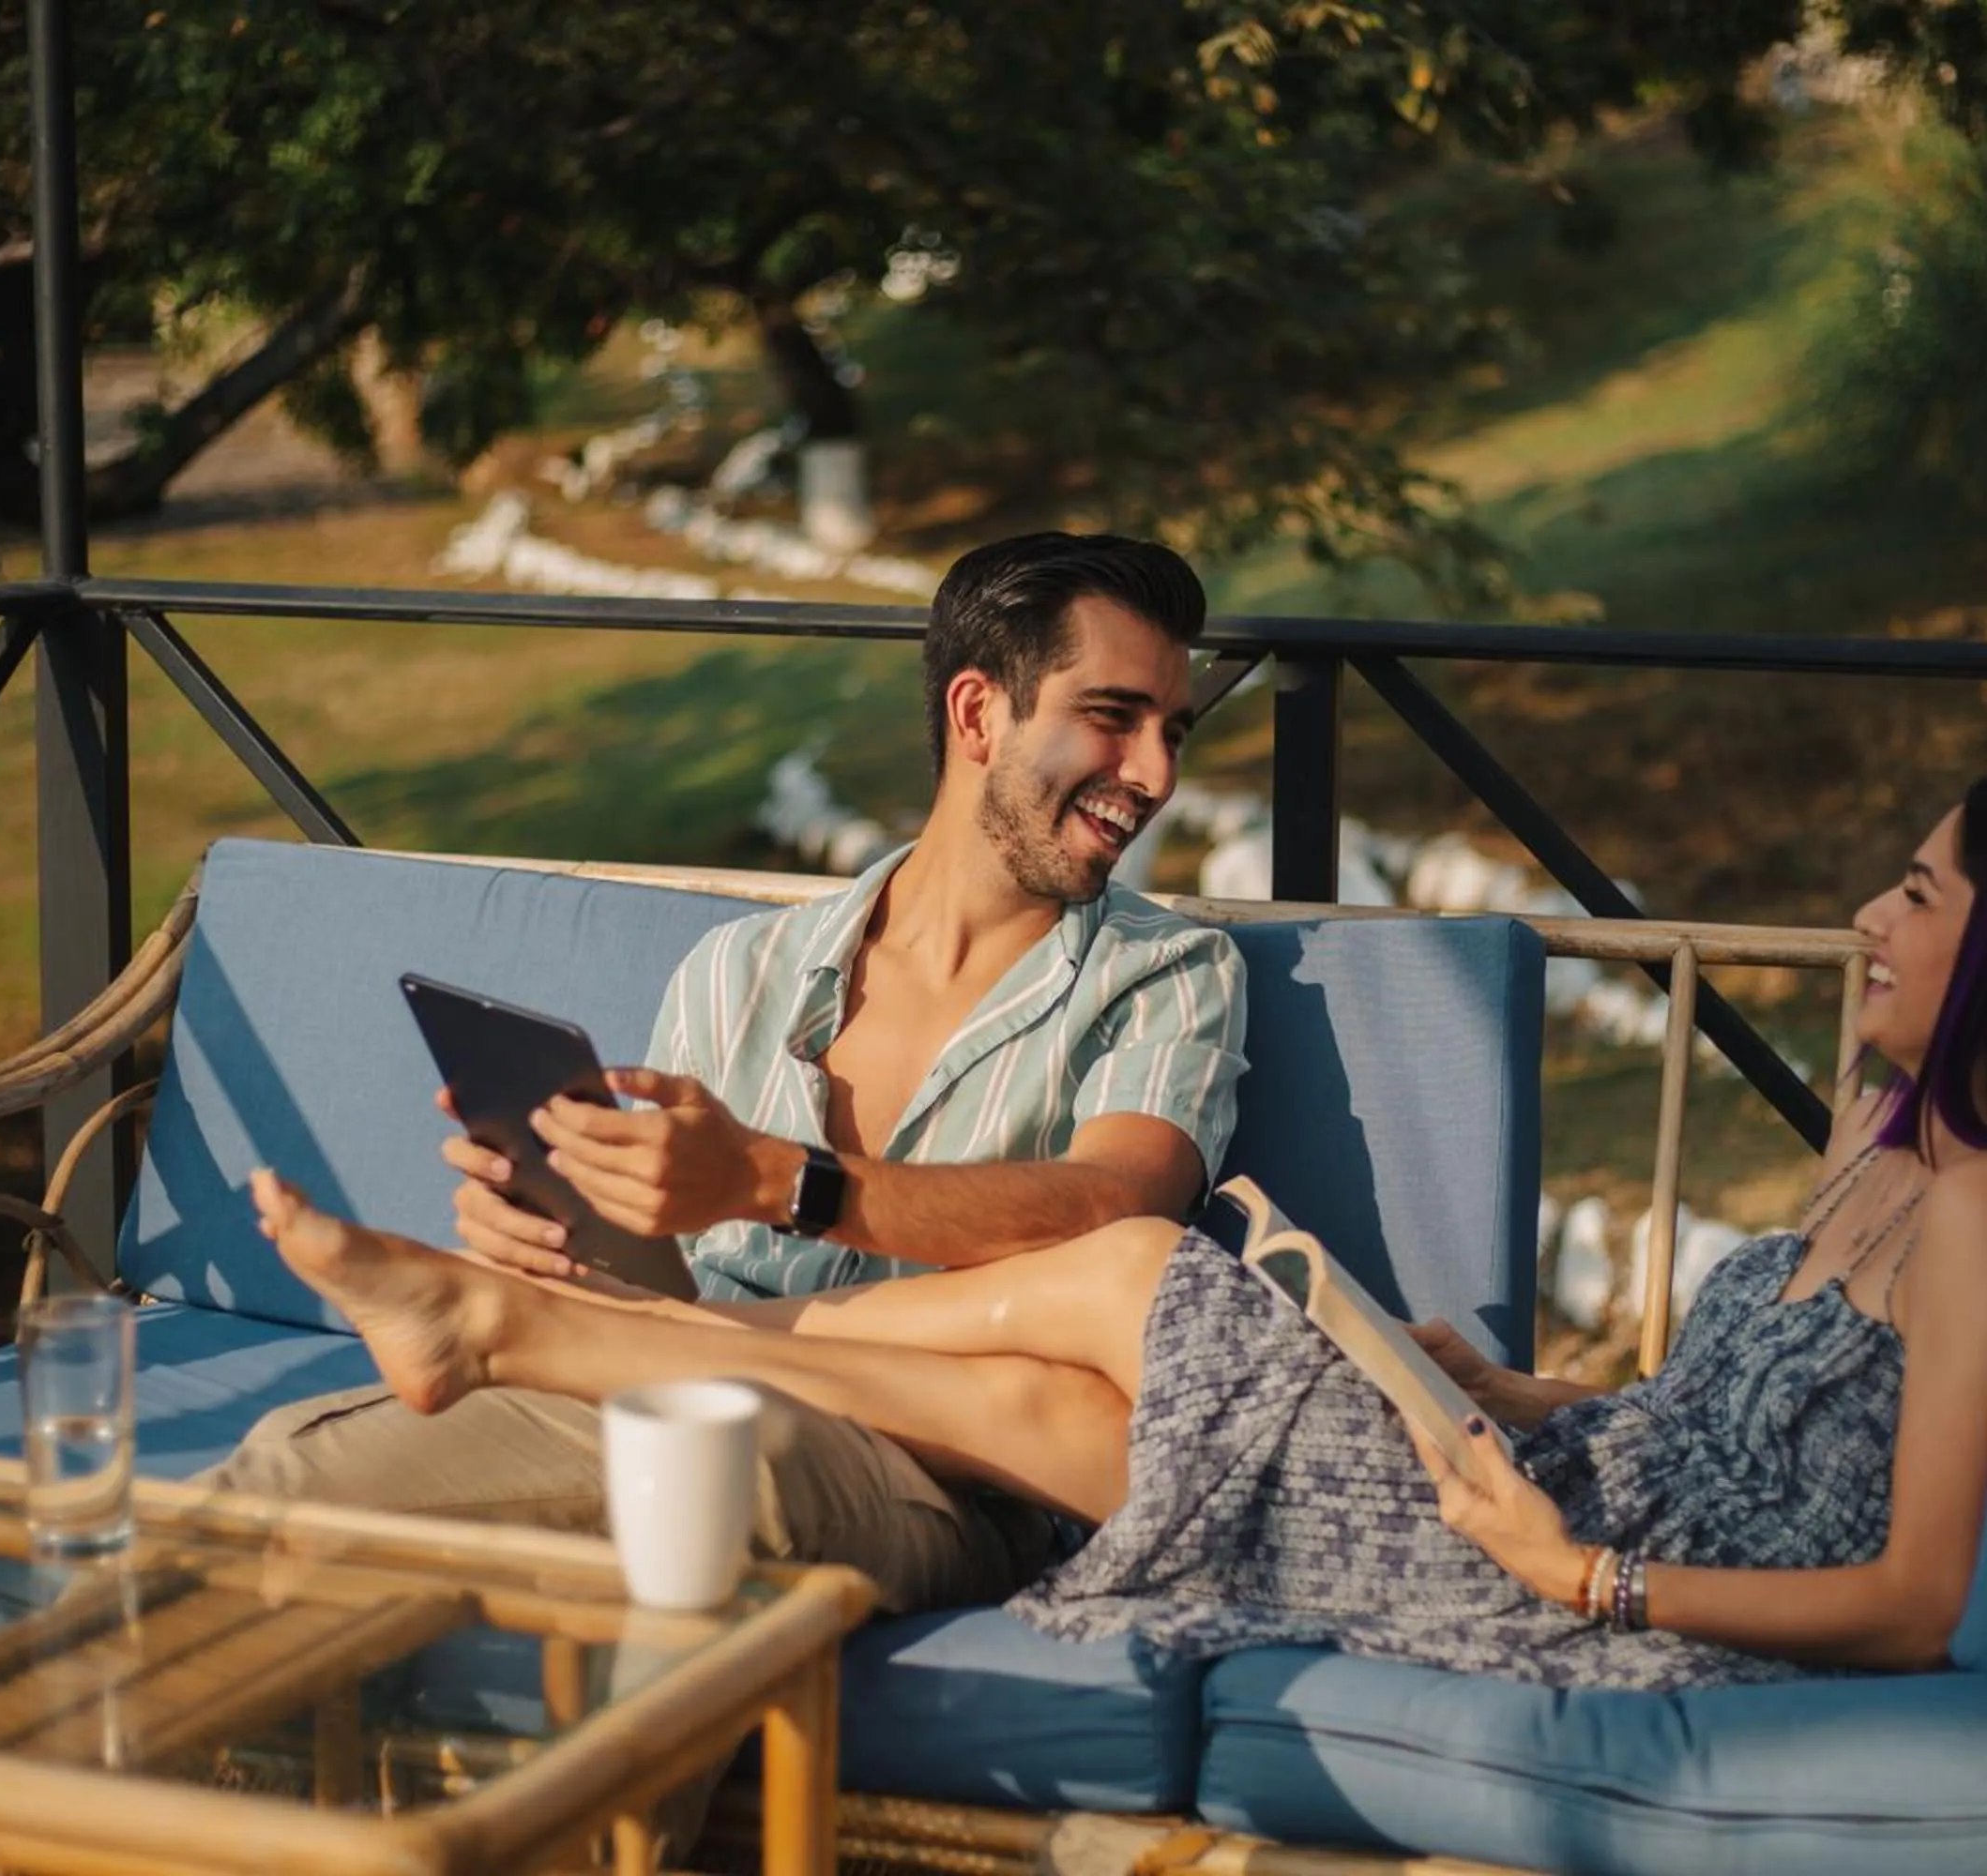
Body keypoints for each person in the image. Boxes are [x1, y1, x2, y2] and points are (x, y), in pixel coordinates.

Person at [243, 768, 1987, 1689]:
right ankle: (511, 1337)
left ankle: (511, 1335)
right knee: (1058, 1390)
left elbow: (1921, 1598)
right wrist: (1515, 1386)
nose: (1871, 917)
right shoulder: (1892, 1158)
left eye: (1918, 894)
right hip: (1533, 1481)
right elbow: (1738, 1413)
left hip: (1583, 1588)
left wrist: (1589, 1576)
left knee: (1132, 1279)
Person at [206, 531, 1249, 1619]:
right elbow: (664, 1278)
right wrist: (562, 1226)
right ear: (979, 712)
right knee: (288, 1482)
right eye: (1113, 718)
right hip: (671, 1379)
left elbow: (1117, 1209)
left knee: (691, 1480)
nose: (1157, 775)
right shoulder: (741, 971)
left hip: (945, 1467)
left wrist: (775, 1180)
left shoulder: (1166, 972)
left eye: (1171, 732)